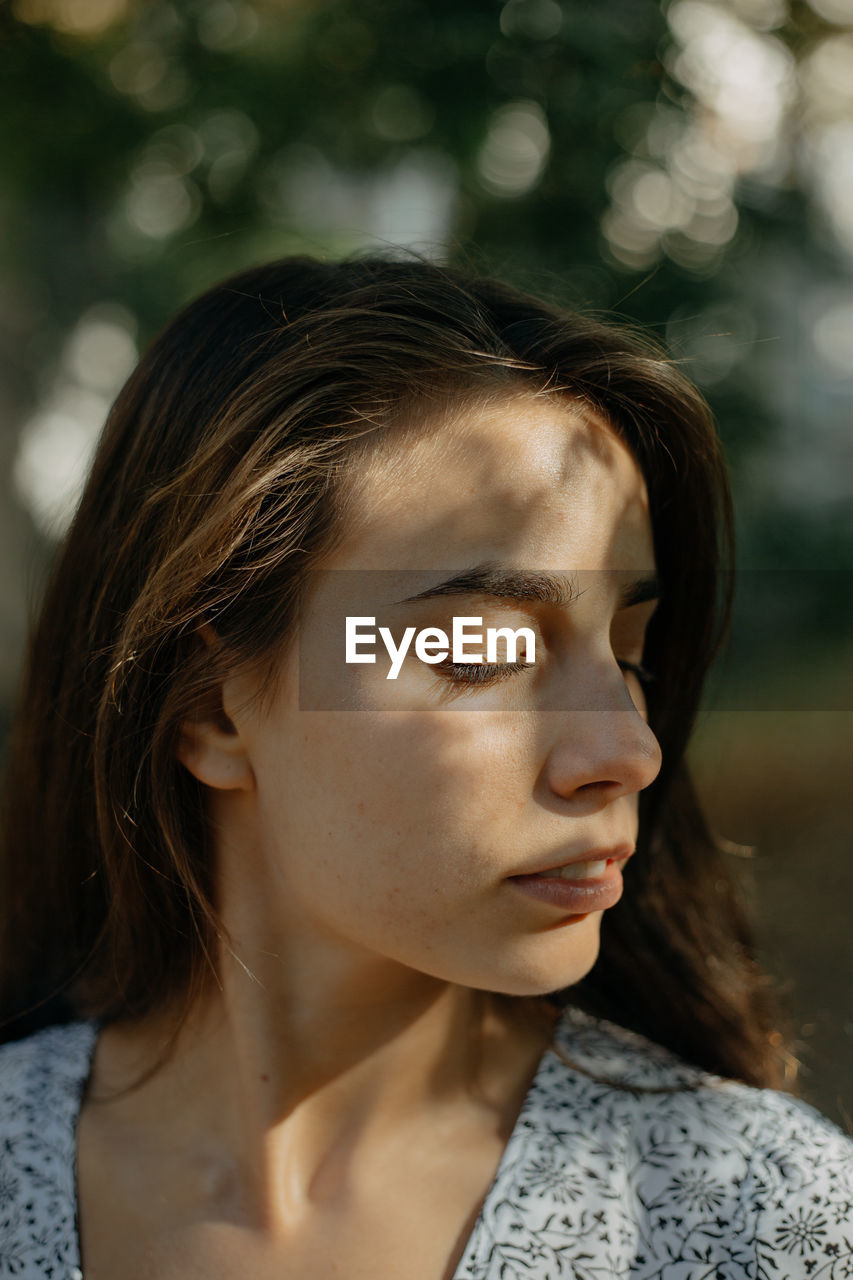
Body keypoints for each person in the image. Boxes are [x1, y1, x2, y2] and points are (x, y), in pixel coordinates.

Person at [1, 256, 851, 1280]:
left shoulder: (756, 1215)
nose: (628, 749)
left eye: (630, 651)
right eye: (484, 650)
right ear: (208, 708)